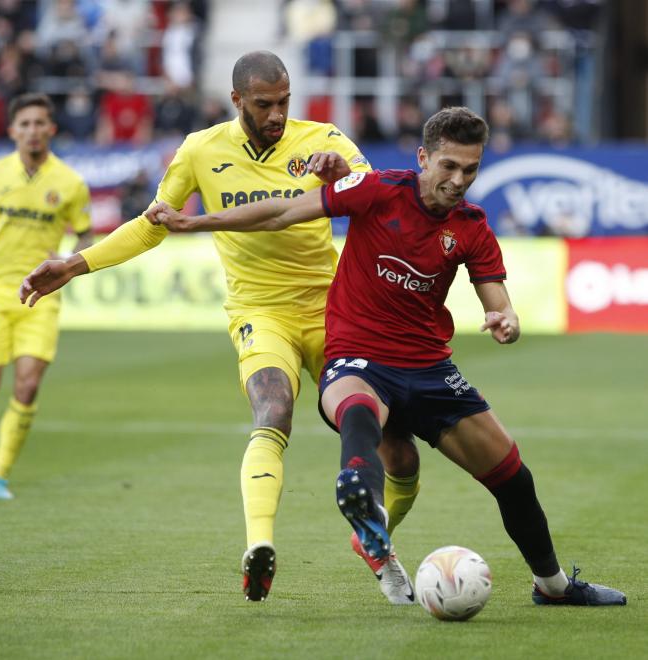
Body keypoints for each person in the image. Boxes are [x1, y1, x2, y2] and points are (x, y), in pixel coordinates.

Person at [124, 106, 625, 607]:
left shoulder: (471, 227)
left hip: (430, 368)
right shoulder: (376, 190)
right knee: (358, 409)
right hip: (358, 357)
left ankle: (552, 586)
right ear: (423, 157)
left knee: (513, 476)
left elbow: (500, 304)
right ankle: (360, 501)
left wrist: (506, 322)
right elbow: (280, 210)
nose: (458, 180)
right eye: (448, 166)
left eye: (470, 170)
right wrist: (194, 222)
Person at [18, 51, 420, 604]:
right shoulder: (201, 149)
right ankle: (259, 547)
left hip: (337, 312)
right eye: (264, 104)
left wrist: (344, 178)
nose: (277, 113)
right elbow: (152, 224)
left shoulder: (323, 138)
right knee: (272, 409)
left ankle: (374, 540)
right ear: (237, 101)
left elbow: (379, 198)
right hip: (260, 313)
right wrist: (73, 262)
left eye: (283, 101)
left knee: (398, 446)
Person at [0, 93, 93, 500]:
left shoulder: (70, 183)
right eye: (25, 124)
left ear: (51, 129)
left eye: (40, 124)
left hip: (40, 294)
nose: (33, 131)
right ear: (13, 131)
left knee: (27, 386)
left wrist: (67, 257)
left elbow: (85, 232)